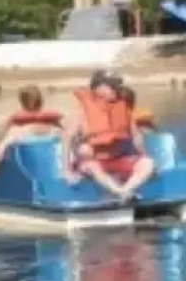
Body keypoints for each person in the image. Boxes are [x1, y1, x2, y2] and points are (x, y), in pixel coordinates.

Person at [63, 71, 155, 201]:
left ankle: (124, 191)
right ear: (98, 88)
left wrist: (145, 156)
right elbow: (67, 138)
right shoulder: (82, 111)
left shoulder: (122, 107)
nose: (116, 88)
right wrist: (67, 170)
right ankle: (120, 192)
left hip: (117, 159)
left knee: (148, 163)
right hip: (93, 161)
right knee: (91, 164)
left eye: (117, 85)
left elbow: (137, 138)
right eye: (112, 85)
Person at [0, 85, 64, 177]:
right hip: (43, 133)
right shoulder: (48, 116)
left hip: (33, 133)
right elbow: (62, 125)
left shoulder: (18, 118)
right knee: (7, 140)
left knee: (5, 142)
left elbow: (6, 127)